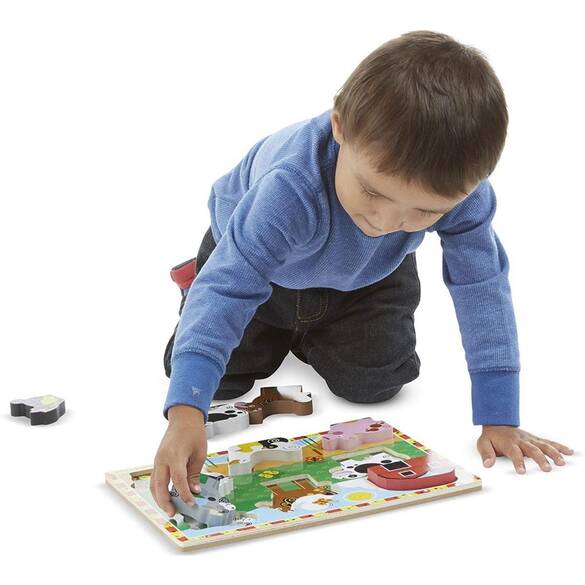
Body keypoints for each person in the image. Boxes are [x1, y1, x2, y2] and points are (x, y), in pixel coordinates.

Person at [150, 30, 573, 517]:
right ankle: (211, 289)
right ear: (340, 127)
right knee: (214, 380)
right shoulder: (289, 187)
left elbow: (482, 286)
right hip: (257, 266)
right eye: (373, 192)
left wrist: (500, 416)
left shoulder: (461, 193)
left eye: (425, 213)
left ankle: (308, 332)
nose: (387, 222)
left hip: (369, 276)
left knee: (377, 384)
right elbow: (229, 287)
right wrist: (186, 412)